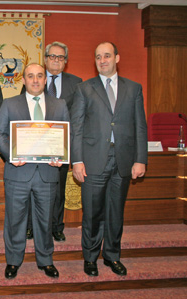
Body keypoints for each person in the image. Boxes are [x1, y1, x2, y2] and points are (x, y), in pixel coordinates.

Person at [70, 42, 147, 277]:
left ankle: (112, 256)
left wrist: (140, 159)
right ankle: (91, 257)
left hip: (123, 159)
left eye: (107, 56)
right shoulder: (84, 89)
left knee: (116, 211)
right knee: (92, 212)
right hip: (93, 160)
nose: (102, 60)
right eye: (98, 57)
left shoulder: (133, 88)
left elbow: (140, 126)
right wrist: (77, 160)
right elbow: (77, 128)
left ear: (117, 57)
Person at [0, 63, 69, 279]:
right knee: (15, 219)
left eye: (39, 76)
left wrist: (62, 157)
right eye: (30, 76)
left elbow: (66, 134)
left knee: (45, 220)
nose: (35, 80)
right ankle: (13, 261)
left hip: (47, 173)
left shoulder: (60, 104)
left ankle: (45, 260)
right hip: (18, 172)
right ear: (24, 80)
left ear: (45, 79)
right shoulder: (10, 104)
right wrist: (12, 155)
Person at [21, 42, 82, 242]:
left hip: (60, 147)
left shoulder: (77, 83)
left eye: (61, 57)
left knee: (58, 189)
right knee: (31, 187)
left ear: (66, 61)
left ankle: (56, 226)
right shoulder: (34, 80)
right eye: (52, 56)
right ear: (45, 59)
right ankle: (30, 226)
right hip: (33, 146)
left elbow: (78, 118)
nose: (56, 60)